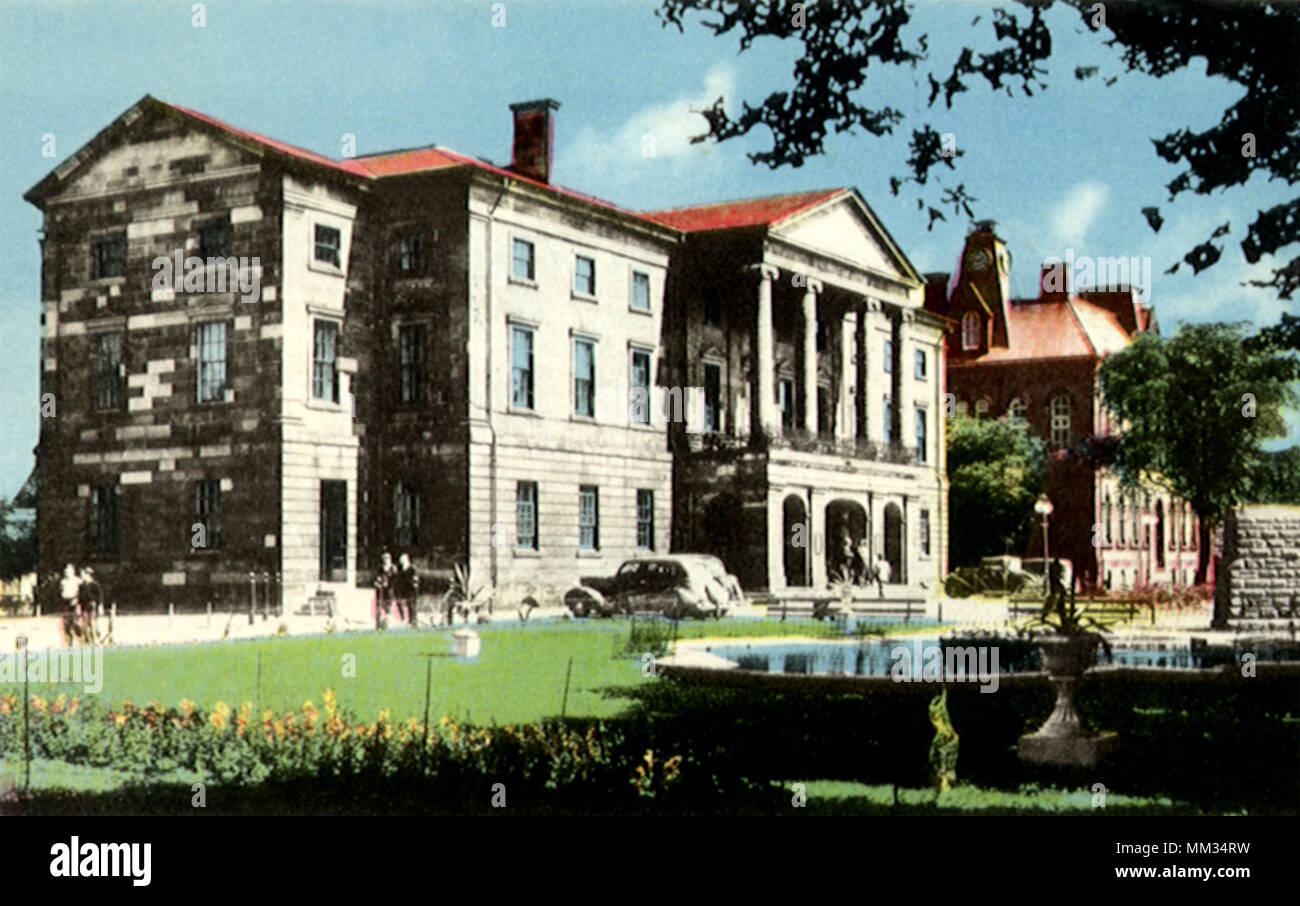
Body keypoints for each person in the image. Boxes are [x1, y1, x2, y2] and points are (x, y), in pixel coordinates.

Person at [58, 564, 83, 647]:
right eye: (65, 571)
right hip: (65, 603)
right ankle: (68, 642)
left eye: (68, 571)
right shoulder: (63, 582)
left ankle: (80, 639)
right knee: (66, 624)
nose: (66, 573)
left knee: (76, 622)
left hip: (75, 602)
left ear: (73, 571)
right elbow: (60, 592)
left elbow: (82, 593)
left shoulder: (78, 581)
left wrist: (77, 599)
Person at [392, 553, 419, 627]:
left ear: (407, 560)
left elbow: (415, 579)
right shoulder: (400, 569)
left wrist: (414, 585)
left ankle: (412, 621)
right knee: (401, 603)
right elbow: (398, 578)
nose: (401, 561)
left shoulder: (412, 568)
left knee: (411, 605)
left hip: (410, 590)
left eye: (403, 560)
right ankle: (403, 618)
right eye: (401, 560)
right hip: (402, 589)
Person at [77, 567, 102, 643]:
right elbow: (80, 597)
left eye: (83, 575)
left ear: (88, 575)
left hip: (92, 605)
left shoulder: (95, 585)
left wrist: (100, 606)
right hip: (84, 606)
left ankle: (95, 638)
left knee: (92, 622)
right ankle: (87, 639)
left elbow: (99, 597)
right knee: (85, 622)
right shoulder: (81, 586)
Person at [373, 551, 396, 630]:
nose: (385, 560)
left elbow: (395, 580)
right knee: (379, 607)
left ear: (390, 559)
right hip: (380, 591)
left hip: (389, 591)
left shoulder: (393, 568)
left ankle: (388, 625)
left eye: (387, 558)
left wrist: (388, 584)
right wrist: (377, 583)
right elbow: (376, 578)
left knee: (388, 608)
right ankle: (378, 625)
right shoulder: (380, 568)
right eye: (384, 559)